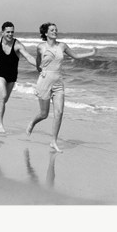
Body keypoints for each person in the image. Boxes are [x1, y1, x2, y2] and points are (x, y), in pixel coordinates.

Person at [26, 22, 97, 152]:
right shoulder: (40, 47)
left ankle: (53, 141)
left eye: (56, 30)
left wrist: (91, 53)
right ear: (46, 33)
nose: (55, 31)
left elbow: (75, 56)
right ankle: (32, 123)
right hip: (44, 82)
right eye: (52, 30)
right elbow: (38, 64)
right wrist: (41, 73)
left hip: (58, 83)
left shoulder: (62, 46)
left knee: (59, 112)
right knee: (44, 114)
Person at [0, 21, 37, 133]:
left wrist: (39, 65)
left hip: (12, 75)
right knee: (3, 95)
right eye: (8, 32)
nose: (10, 34)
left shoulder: (17, 45)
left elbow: (28, 57)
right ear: (2, 32)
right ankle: (0, 125)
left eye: (12, 32)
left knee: (4, 99)